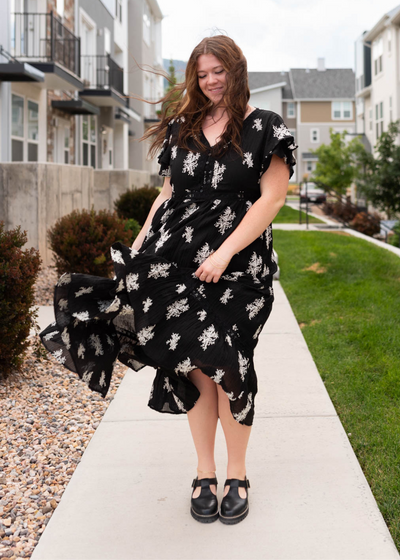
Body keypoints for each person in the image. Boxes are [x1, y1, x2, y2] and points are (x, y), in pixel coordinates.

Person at [40, 34, 298, 526]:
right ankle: (205, 472)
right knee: (195, 368)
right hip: (176, 264)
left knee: (232, 366)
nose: (210, 81)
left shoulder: (266, 127)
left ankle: (237, 473)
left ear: (236, 70)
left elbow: (271, 200)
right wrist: (138, 251)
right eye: (202, 74)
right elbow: (166, 197)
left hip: (240, 270)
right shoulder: (185, 126)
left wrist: (224, 253)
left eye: (218, 71)